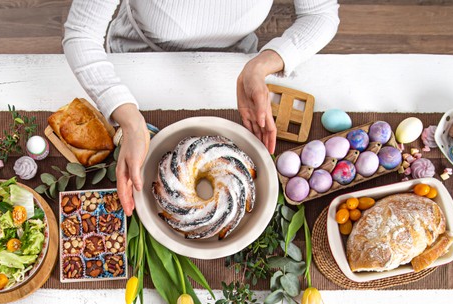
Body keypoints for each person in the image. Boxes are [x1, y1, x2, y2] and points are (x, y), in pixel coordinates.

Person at [63, 0, 339, 216]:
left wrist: (260, 66)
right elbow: (81, 33)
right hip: (137, 63)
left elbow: (320, 15)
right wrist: (130, 121)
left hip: (232, 65)